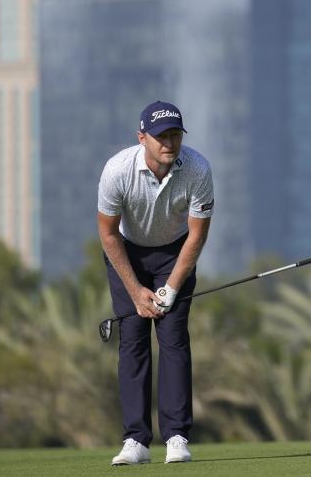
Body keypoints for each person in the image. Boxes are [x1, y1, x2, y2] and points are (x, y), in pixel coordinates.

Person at [98, 101, 214, 465]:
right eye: (161, 135)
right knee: (133, 339)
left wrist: (172, 288)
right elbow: (108, 234)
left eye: (175, 134)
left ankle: (177, 436)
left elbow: (196, 235)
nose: (169, 142)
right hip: (127, 252)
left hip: (174, 254)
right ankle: (136, 441)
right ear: (142, 137)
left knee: (174, 337)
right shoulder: (117, 171)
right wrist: (136, 292)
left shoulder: (197, 169)